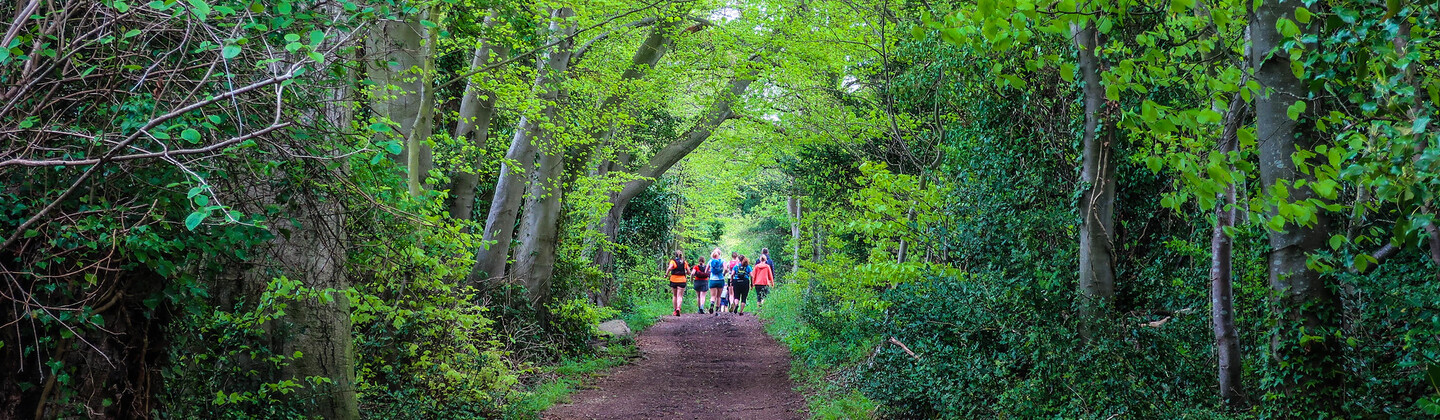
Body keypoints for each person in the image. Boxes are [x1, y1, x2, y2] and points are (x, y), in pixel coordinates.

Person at [665, 250, 688, 316]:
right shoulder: (684, 262)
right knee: (680, 296)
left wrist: (666, 274)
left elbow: (669, 268)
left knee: (675, 295)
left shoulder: (673, 261)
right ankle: (678, 308)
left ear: (675, 255)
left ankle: (675, 310)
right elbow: (689, 271)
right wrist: (684, 272)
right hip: (682, 280)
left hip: (673, 280)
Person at [707, 249, 726, 314]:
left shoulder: (710, 261)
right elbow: (726, 269)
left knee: (713, 296)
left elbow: (706, 270)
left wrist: (709, 275)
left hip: (712, 280)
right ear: (719, 254)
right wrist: (724, 273)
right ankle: (717, 310)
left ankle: (712, 303)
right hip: (720, 280)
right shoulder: (723, 261)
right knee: (718, 296)